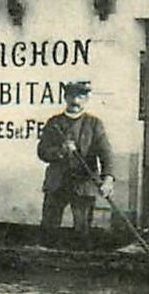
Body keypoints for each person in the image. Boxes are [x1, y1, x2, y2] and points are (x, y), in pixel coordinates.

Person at [36, 80, 114, 238]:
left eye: (80, 97)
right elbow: (42, 151)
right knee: (49, 228)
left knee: (82, 230)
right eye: (72, 96)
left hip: (83, 185)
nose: (75, 101)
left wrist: (108, 179)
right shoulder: (54, 123)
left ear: (86, 99)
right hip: (57, 184)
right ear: (65, 98)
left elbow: (106, 153)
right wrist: (61, 151)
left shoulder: (94, 124)